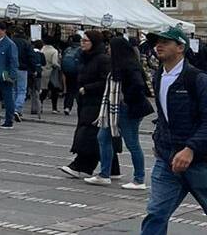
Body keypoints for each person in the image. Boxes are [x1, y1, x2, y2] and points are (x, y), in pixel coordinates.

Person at [140, 26, 207, 234]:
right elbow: (164, 117)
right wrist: (159, 141)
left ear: (180, 47)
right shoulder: (159, 75)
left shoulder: (197, 79)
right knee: (156, 213)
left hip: (200, 162)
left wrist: (191, 148)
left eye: (165, 42)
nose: (158, 45)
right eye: (156, 42)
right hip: (168, 159)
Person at [85, 35, 152, 188]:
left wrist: (125, 99)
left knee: (132, 143)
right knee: (103, 137)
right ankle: (104, 174)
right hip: (112, 109)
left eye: (110, 46)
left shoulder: (129, 65)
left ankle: (139, 179)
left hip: (126, 109)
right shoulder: (119, 64)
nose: (108, 49)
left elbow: (139, 85)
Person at [62, 30, 119, 179]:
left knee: (89, 134)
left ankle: (81, 165)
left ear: (94, 42)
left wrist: (87, 88)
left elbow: (106, 81)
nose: (82, 43)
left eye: (86, 41)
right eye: (82, 40)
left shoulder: (102, 59)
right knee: (98, 136)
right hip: (85, 101)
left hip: (98, 102)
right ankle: (113, 169)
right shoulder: (84, 57)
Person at [10, 28, 35, 121]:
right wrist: (33, 69)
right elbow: (31, 56)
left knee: (12, 90)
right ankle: (18, 109)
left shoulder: (11, 42)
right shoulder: (26, 43)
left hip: (12, 68)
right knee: (21, 90)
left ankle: (11, 109)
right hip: (23, 69)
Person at [40, 37, 63, 113]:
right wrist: (60, 67)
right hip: (51, 73)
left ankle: (40, 105)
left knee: (44, 90)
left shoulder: (41, 49)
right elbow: (54, 63)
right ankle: (54, 108)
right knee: (54, 91)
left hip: (42, 71)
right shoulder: (54, 51)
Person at [62, 34, 82, 115]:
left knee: (69, 90)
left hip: (67, 72)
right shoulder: (81, 49)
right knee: (78, 90)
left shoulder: (68, 49)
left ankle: (67, 107)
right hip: (77, 72)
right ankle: (80, 107)